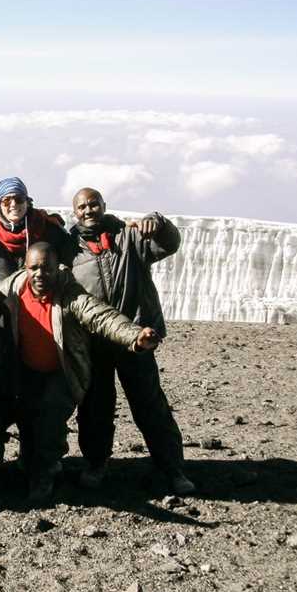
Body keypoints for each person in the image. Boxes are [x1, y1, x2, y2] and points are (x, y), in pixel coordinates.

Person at [0, 242, 160, 504]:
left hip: (62, 373)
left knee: (49, 421)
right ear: (25, 267)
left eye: (47, 268)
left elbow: (102, 316)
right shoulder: (11, 289)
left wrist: (134, 336)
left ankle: (43, 478)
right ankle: (26, 462)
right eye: (34, 268)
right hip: (26, 371)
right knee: (24, 419)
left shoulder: (70, 294)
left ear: (58, 268)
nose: (40, 274)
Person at [69, 187, 194, 495]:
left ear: (103, 206)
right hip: (94, 342)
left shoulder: (129, 237)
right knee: (94, 408)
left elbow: (169, 244)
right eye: (82, 207)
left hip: (136, 339)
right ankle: (96, 464)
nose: (89, 211)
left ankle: (172, 468)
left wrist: (160, 223)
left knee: (150, 405)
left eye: (93, 204)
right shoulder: (68, 248)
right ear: (75, 212)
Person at [0, 177, 75, 473]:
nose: (13, 206)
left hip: (40, 322)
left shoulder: (47, 229)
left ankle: (36, 454)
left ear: (27, 200)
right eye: (6, 201)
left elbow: (73, 258)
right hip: (4, 323)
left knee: (37, 391)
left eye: (18, 199)